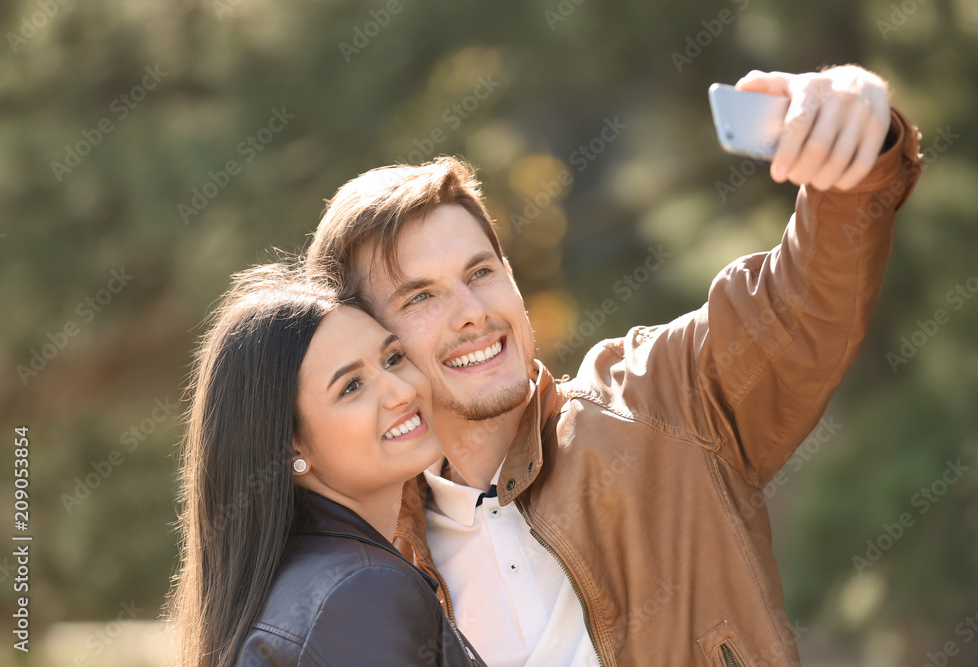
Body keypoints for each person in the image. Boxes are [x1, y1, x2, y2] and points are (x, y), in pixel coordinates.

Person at [304, 65, 924, 666]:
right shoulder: (383, 565)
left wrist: (856, 148)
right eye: (421, 297)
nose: (471, 312)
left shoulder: (661, 398)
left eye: (481, 272)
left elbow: (805, 304)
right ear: (374, 345)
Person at [166, 261, 484, 666]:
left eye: (393, 358)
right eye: (351, 386)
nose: (401, 392)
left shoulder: (296, 583)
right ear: (292, 447)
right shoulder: (362, 590)